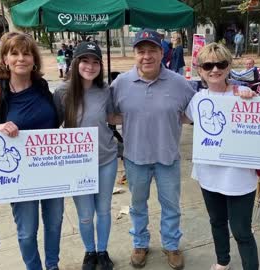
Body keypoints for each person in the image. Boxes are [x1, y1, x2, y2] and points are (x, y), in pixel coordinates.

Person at [0, 32, 63, 270]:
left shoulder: (41, 86)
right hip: (19, 175)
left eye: (26, 53)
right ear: (4, 59)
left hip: (51, 170)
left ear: (34, 59)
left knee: (55, 224)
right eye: (14, 53)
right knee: (27, 232)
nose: (21, 59)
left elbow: (50, 122)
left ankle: (53, 265)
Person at [110, 29, 196, 270]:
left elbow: (199, 109)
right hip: (135, 158)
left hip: (167, 157)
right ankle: (140, 243)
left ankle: (171, 245)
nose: (146, 56)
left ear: (162, 53)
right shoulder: (121, 83)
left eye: (152, 51)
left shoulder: (179, 83)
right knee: (138, 206)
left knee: (171, 206)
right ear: (134, 54)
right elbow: (107, 111)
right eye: (141, 51)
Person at [182, 42, 258, 270]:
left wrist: (251, 96)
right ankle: (222, 261)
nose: (214, 70)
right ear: (200, 70)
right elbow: (180, 119)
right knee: (217, 222)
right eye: (208, 65)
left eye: (221, 64)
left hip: (239, 178)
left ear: (229, 67)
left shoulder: (243, 96)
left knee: (242, 230)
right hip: (209, 174)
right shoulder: (197, 100)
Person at [53, 41, 118, 270]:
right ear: (76, 63)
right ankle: (89, 251)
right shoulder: (62, 92)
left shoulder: (105, 90)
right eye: (85, 60)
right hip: (77, 164)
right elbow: (51, 127)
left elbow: (111, 118)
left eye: (95, 62)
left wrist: (143, 115)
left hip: (106, 159)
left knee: (103, 210)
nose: (90, 66)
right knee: (85, 215)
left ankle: (102, 250)